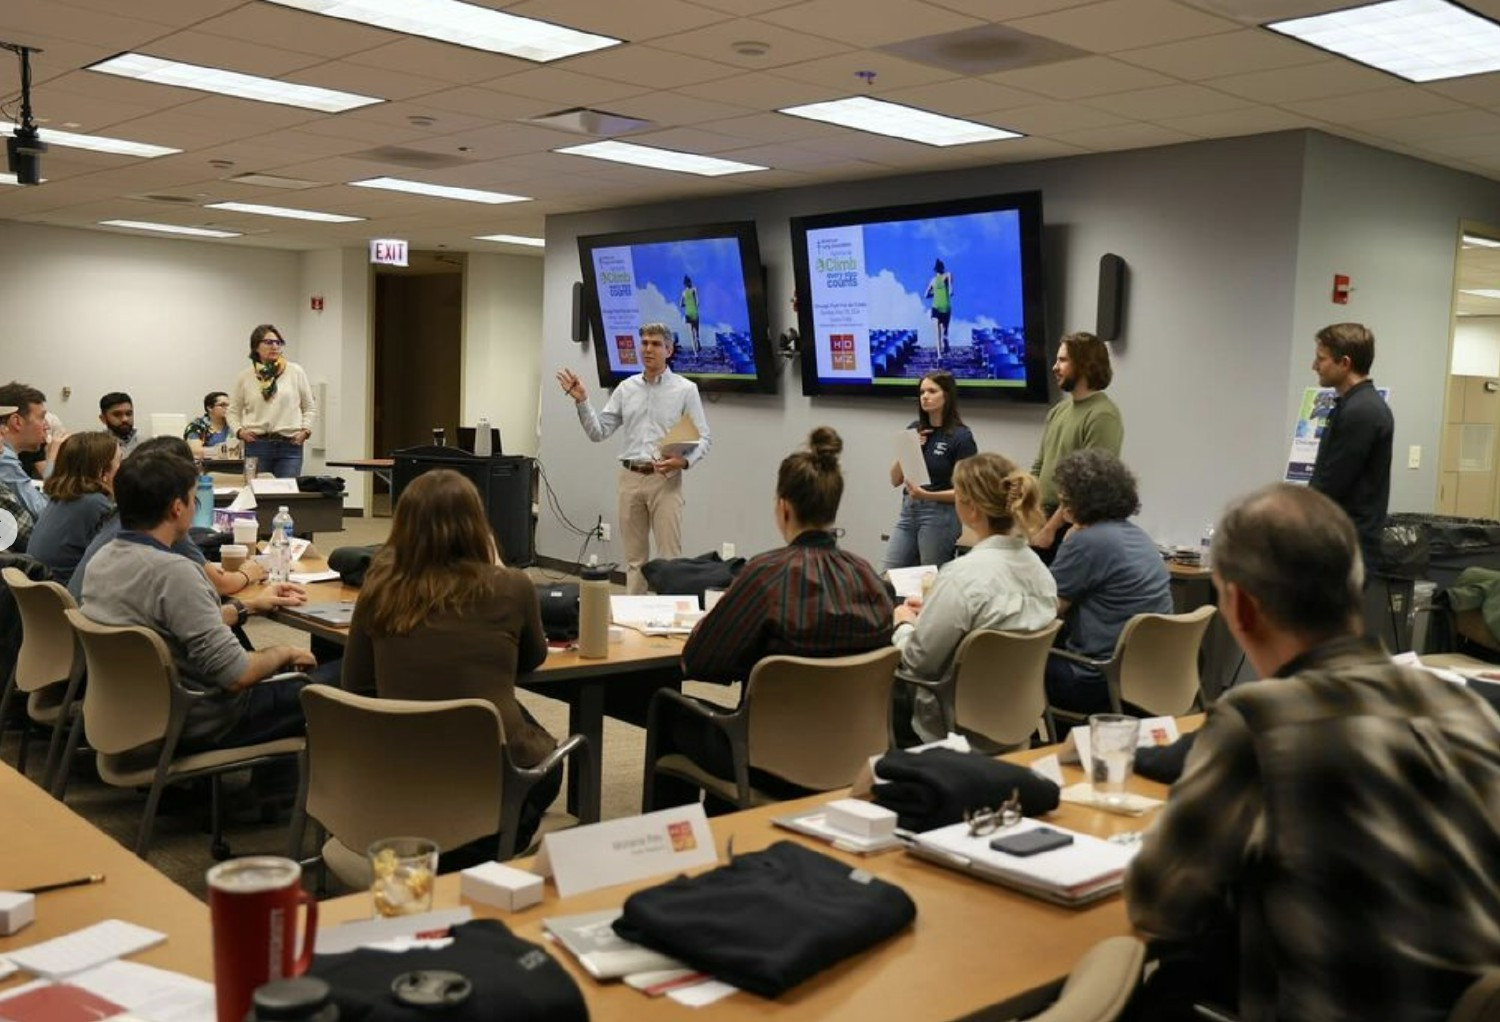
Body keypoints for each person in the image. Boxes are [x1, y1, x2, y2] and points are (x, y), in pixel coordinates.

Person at [1125, 483, 1500, 1022]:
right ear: (1355, 587)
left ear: (1240, 606)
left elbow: (1158, 905)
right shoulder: (1466, 708)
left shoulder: (1260, 721)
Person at [657, 428, 894, 808]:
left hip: (765, 759)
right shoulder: (868, 577)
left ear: (784, 508)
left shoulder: (766, 575)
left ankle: (682, 850)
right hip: (853, 757)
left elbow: (699, 662)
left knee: (668, 708)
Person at [341, 469, 560, 856]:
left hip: (398, 762)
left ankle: (459, 842)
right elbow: (533, 657)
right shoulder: (511, 586)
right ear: (478, 525)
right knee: (543, 752)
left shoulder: (379, 587)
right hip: (489, 766)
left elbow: (356, 685)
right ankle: (491, 845)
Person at [80, 451, 323, 754]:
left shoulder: (102, 560)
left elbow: (171, 625)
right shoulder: (174, 573)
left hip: (130, 713)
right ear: (177, 508)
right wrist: (285, 650)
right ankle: (276, 797)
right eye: (194, 499)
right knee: (329, 686)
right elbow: (238, 675)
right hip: (200, 719)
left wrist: (246, 608)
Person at [893, 452, 1057, 743]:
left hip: (949, 731)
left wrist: (904, 625)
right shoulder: (1042, 575)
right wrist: (932, 612)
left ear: (971, 510)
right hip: (1016, 728)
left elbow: (918, 663)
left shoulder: (961, 578)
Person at [556, 322, 712, 594]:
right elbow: (598, 432)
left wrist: (684, 462)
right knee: (634, 561)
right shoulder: (626, 388)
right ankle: (633, 622)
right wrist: (582, 401)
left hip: (665, 479)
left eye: (655, 344)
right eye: (644, 343)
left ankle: (669, 624)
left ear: (669, 349)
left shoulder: (685, 390)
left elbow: (704, 438)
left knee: (669, 560)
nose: (648, 349)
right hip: (630, 478)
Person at [1044, 449, 1172, 715]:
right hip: (1148, 679)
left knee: (999, 664)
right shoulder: (1139, 537)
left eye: (1065, 491)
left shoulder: (1088, 542)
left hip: (1096, 680)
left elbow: (1046, 609)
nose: (1060, 497)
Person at [69, 436, 269, 602]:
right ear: (177, 503)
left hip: (84, 636)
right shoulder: (159, 529)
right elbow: (219, 585)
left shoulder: (122, 519)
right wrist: (247, 573)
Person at [1029, 332, 1123, 562]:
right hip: (1042, 516)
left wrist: (1051, 528)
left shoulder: (1102, 415)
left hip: (1071, 523)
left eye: (1063, 360)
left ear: (1085, 364)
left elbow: (1089, 485)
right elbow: (1040, 465)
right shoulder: (1058, 411)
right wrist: (1028, 506)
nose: (1054, 367)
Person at [1308, 321, 1393, 573]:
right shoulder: (1354, 405)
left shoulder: (1362, 412)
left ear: (1345, 363)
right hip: (1340, 540)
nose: (1314, 366)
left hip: (1346, 545)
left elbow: (1333, 482)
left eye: (1321, 359)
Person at [882, 370, 977, 573]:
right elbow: (894, 479)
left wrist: (927, 495)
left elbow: (966, 492)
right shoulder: (916, 429)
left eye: (932, 391)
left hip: (939, 514)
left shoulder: (961, 436)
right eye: (922, 392)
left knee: (929, 578)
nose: (925, 396)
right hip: (909, 511)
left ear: (947, 396)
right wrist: (910, 447)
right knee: (889, 575)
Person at [29, 432, 120, 586]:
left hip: (42, 599)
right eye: (120, 461)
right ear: (102, 472)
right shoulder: (95, 505)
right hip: (70, 599)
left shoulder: (60, 498)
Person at [228, 324, 316, 478]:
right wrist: (240, 431)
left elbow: (309, 407)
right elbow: (232, 411)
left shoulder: (295, 371)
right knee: (258, 494)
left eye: (279, 342)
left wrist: (305, 430)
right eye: (268, 342)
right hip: (257, 445)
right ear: (256, 346)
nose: (275, 346)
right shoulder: (245, 377)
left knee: (285, 494)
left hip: (290, 444)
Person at [0, 381, 57, 519]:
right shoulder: (4, 459)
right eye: (42, 417)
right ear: (17, 422)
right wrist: (53, 459)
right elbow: (45, 514)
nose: (47, 426)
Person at [924, 259, 953, 356]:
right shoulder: (947, 275)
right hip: (945, 306)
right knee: (944, 331)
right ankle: (945, 339)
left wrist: (934, 293)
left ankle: (939, 355)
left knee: (937, 333)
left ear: (935, 270)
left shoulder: (932, 281)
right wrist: (949, 290)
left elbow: (926, 295)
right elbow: (951, 289)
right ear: (942, 268)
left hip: (936, 306)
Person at [98, 392, 140, 457]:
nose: (125, 419)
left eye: (128, 414)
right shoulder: (97, 448)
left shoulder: (147, 445)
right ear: (103, 419)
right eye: (117, 415)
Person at [680, 275, 700, 354]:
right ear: (690, 282)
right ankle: (698, 340)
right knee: (697, 332)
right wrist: (694, 303)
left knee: (691, 335)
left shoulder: (683, 293)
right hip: (694, 312)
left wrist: (686, 305)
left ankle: (695, 354)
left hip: (688, 313)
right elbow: (698, 302)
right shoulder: (694, 289)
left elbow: (680, 304)